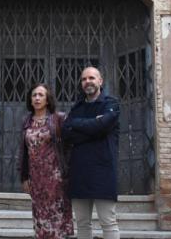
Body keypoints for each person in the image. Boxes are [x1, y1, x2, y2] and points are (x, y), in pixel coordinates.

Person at [63, 66, 121, 239]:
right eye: (84, 79)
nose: (87, 81)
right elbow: (66, 132)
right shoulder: (77, 107)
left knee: (108, 222)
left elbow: (103, 126)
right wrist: (93, 128)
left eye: (91, 78)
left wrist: (77, 125)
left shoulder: (111, 104)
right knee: (81, 223)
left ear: (100, 81)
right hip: (79, 171)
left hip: (103, 171)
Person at [19, 82, 74, 239]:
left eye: (41, 95)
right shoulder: (26, 121)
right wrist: (24, 177)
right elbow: (23, 151)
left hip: (56, 178)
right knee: (41, 221)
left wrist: (68, 171)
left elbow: (69, 147)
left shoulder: (58, 119)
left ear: (47, 99)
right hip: (36, 178)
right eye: (34, 95)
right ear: (30, 100)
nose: (37, 98)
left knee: (57, 220)